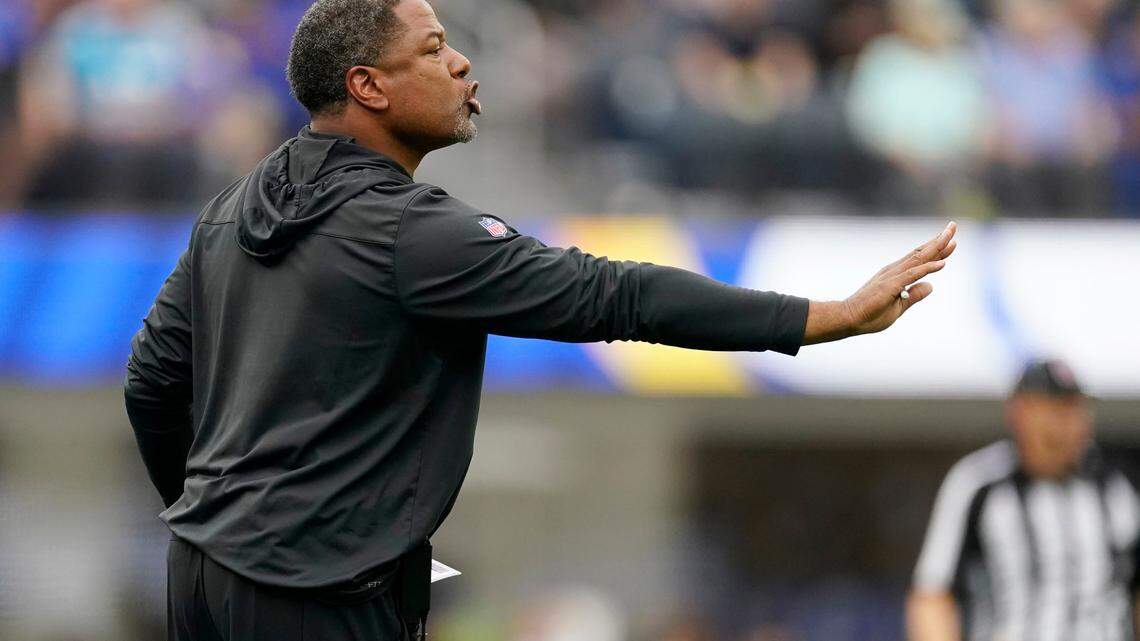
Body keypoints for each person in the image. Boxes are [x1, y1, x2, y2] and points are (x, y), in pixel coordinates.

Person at [122, 1, 957, 639]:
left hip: (200, 574)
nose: (462, 64)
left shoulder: (228, 212)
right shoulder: (410, 231)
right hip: (312, 591)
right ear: (367, 86)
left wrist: (214, 517)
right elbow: (614, 294)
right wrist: (824, 317)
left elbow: (152, 381)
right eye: (433, 50)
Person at [907, 359, 1140, 641]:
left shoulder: (1117, 486)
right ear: (1020, 413)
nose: (1068, 423)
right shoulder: (980, 483)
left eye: (1075, 409)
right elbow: (933, 595)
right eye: (1055, 409)